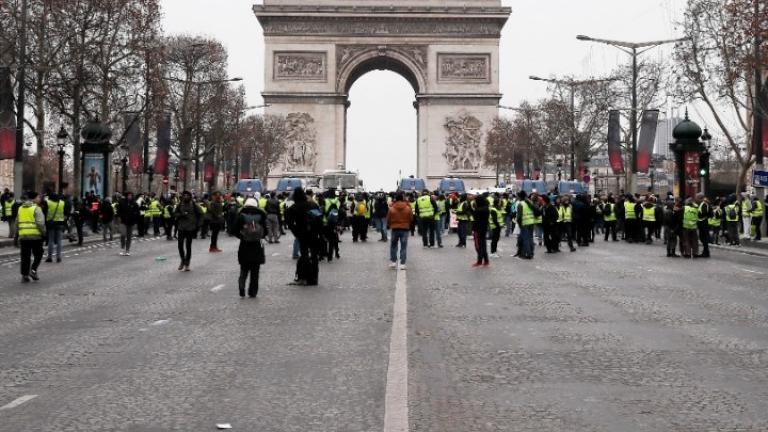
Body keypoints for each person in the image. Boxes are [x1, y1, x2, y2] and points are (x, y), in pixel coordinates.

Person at [231, 197, 267, 298]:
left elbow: (234, 230)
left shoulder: (241, 216)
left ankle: (242, 287)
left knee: (244, 269)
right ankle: (253, 292)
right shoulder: (261, 215)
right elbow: (266, 231)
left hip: (244, 245)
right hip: (257, 245)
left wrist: (242, 236)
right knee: (255, 271)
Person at [286, 187, 321, 286]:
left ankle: (303, 277)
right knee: (314, 256)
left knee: (304, 255)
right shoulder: (313, 205)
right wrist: (319, 232)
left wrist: (296, 232)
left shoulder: (294, 207)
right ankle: (314, 278)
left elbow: (289, 223)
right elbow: (319, 219)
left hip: (302, 234)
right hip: (313, 233)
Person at [18, 192, 46, 283]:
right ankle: (33, 270)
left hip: (23, 236)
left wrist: (17, 235)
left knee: (25, 256)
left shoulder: (20, 208)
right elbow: (40, 224)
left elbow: (17, 222)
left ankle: (24, 275)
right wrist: (44, 233)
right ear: (33, 198)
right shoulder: (37, 209)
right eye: (38, 197)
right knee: (39, 254)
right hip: (35, 236)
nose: (39, 199)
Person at [174, 191, 201, 271]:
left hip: (190, 228)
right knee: (180, 245)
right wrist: (181, 215)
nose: (185, 197)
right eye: (184, 195)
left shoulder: (194, 205)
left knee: (188, 246)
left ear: (190, 197)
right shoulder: (180, 204)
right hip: (181, 227)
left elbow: (201, 213)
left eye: (187, 195)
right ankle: (182, 259)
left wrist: (198, 225)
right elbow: (175, 213)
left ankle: (187, 263)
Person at [387, 192, 413, 270]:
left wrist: (390, 224)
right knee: (403, 246)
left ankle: (393, 262)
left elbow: (388, 219)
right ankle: (402, 264)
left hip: (395, 229)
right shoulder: (408, 208)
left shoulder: (391, 208)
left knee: (393, 245)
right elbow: (411, 218)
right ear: (403, 199)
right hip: (405, 228)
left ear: (395, 199)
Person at [44, 193, 66, 263]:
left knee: (51, 240)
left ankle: (49, 257)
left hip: (51, 223)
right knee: (59, 240)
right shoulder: (62, 203)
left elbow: (45, 211)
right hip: (60, 222)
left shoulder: (48, 202)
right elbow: (65, 212)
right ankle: (58, 257)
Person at [516, 191, 537, 259]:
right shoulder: (530, 202)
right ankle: (531, 253)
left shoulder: (520, 204)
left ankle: (528, 254)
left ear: (519, 197)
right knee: (530, 238)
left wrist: (519, 224)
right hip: (531, 222)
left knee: (526, 239)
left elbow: (519, 217)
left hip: (524, 223)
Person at [471, 195, 490, 267]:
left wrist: (473, 208)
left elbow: (474, 216)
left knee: (478, 246)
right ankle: (486, 260)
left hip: (477, 229)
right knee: (483, 245)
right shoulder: (486, 208)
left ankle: (479, 261)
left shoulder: (478, 210)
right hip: (484, 228)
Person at [695, 193, 711, 258]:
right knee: (703, 238)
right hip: (702, 222)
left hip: (703, 223)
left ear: (700, 198)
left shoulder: (704, 204)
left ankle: (706, 252)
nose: (696, 199)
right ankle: (705, 251)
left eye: (697, 198)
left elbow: (703, 213)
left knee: (704, 238)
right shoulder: (703, 204)